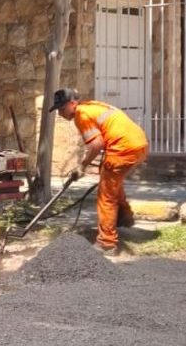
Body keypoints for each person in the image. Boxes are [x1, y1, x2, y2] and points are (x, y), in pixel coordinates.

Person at [49, 87, 149, 256]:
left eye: (61, 108)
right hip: (139, 144)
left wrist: (83, 165)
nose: (59, 113)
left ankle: (107, 243)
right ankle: (124, 216)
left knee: (105, 196)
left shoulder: (81, 115)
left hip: (123, 149)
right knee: (111, 180)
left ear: (72, 104)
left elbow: (96, 144)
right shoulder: (92, 106)